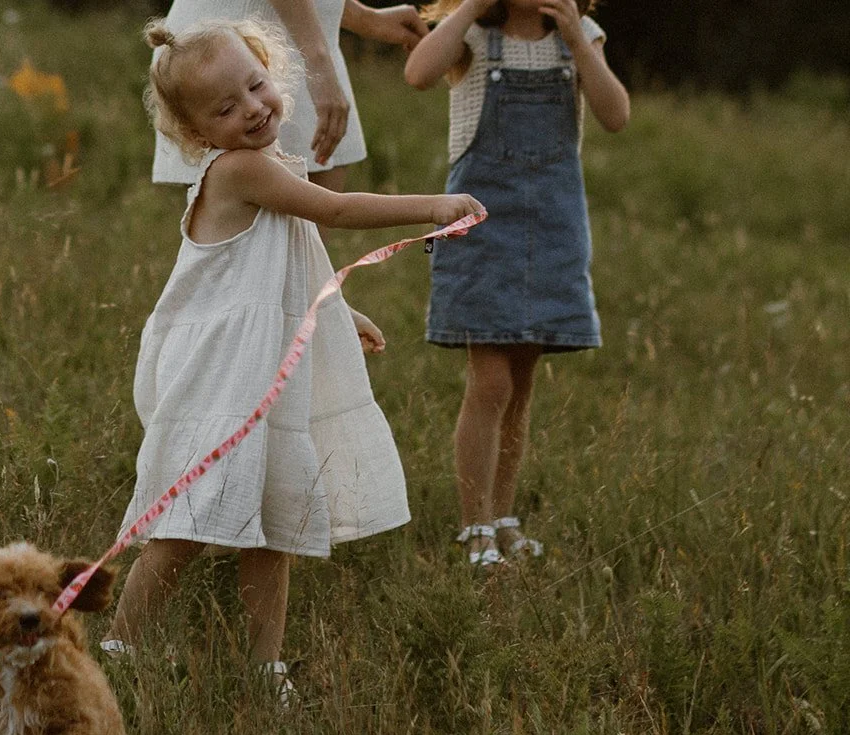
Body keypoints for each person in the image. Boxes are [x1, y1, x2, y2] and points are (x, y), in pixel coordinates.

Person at [103, 18, 482, 699]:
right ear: (196, 133)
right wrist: (432, 205)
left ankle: (263, 668)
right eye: (225, 108)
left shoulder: (272, 163)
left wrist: (338, 312)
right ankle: (119, 651)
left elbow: (287, 256)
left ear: (270, 71)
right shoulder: (241, 170)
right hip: (222, 378)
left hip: (259, 377)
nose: (252, 109)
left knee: (274, 525)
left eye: (256, 86)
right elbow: (335, 210)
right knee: (185, 523)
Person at [404, 0, 629, 569]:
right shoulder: (475, 38)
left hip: (552, 230)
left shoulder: (581, 37)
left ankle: (503, 519)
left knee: (520, 386)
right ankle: (474, 526)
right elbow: (418, 73)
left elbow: (616, 115)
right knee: (491, 383)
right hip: (483, 232)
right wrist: (470, 7)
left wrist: (577, 38)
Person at [153, 0, 428, 194]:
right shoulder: (250, 92)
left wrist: (365, 18)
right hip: (230, 56)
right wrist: (318, 65)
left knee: (305, 248)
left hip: (293, 45)